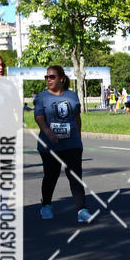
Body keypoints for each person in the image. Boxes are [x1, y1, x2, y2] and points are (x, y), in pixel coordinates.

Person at [33, 65, 91, 223]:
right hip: (49, 145)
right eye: (47, 77)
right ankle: (46, 205)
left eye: (52, 77)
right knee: (51, 176)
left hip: (72, 144)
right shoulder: (42, 97)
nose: (48, 80)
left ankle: (82, 210)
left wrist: (78, 137)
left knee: (75, 177)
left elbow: (77, 118)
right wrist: (48, 132)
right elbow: (39, 117)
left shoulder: (72, 96)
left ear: (61, 79)